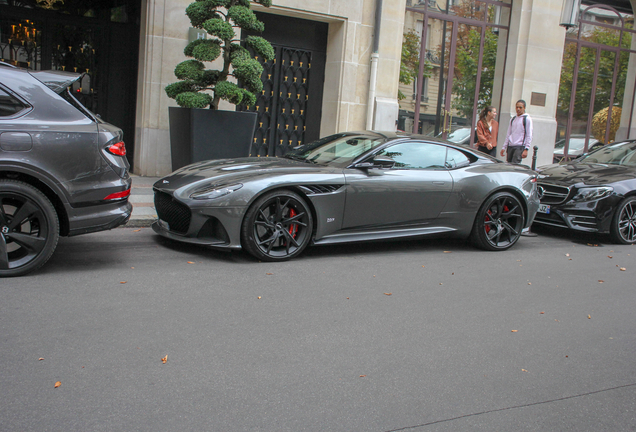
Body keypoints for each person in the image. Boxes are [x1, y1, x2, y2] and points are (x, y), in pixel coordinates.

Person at [500, 99, 537, 236]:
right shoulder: (513, 119)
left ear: (524, 108)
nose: (518, 109)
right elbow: (508, 133)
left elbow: (529, 134)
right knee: (509, 165)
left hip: (519, 146)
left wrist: (526, 148)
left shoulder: (527, 119)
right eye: (517, 107)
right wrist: (504, 147)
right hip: (511, 145)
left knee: (515, 166)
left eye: (520, 107)